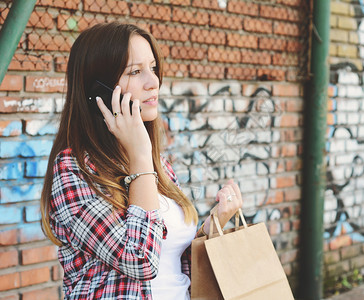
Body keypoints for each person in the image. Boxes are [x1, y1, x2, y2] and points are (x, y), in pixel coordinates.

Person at [40, 22, 243, 299]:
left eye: (153, 68)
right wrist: (139, 156)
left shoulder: (158, 164)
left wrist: (211, 226)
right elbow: (139, 260)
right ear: (98, 90)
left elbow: (171, 261)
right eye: (136, 72)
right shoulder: (74, 170)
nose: (153, 82)